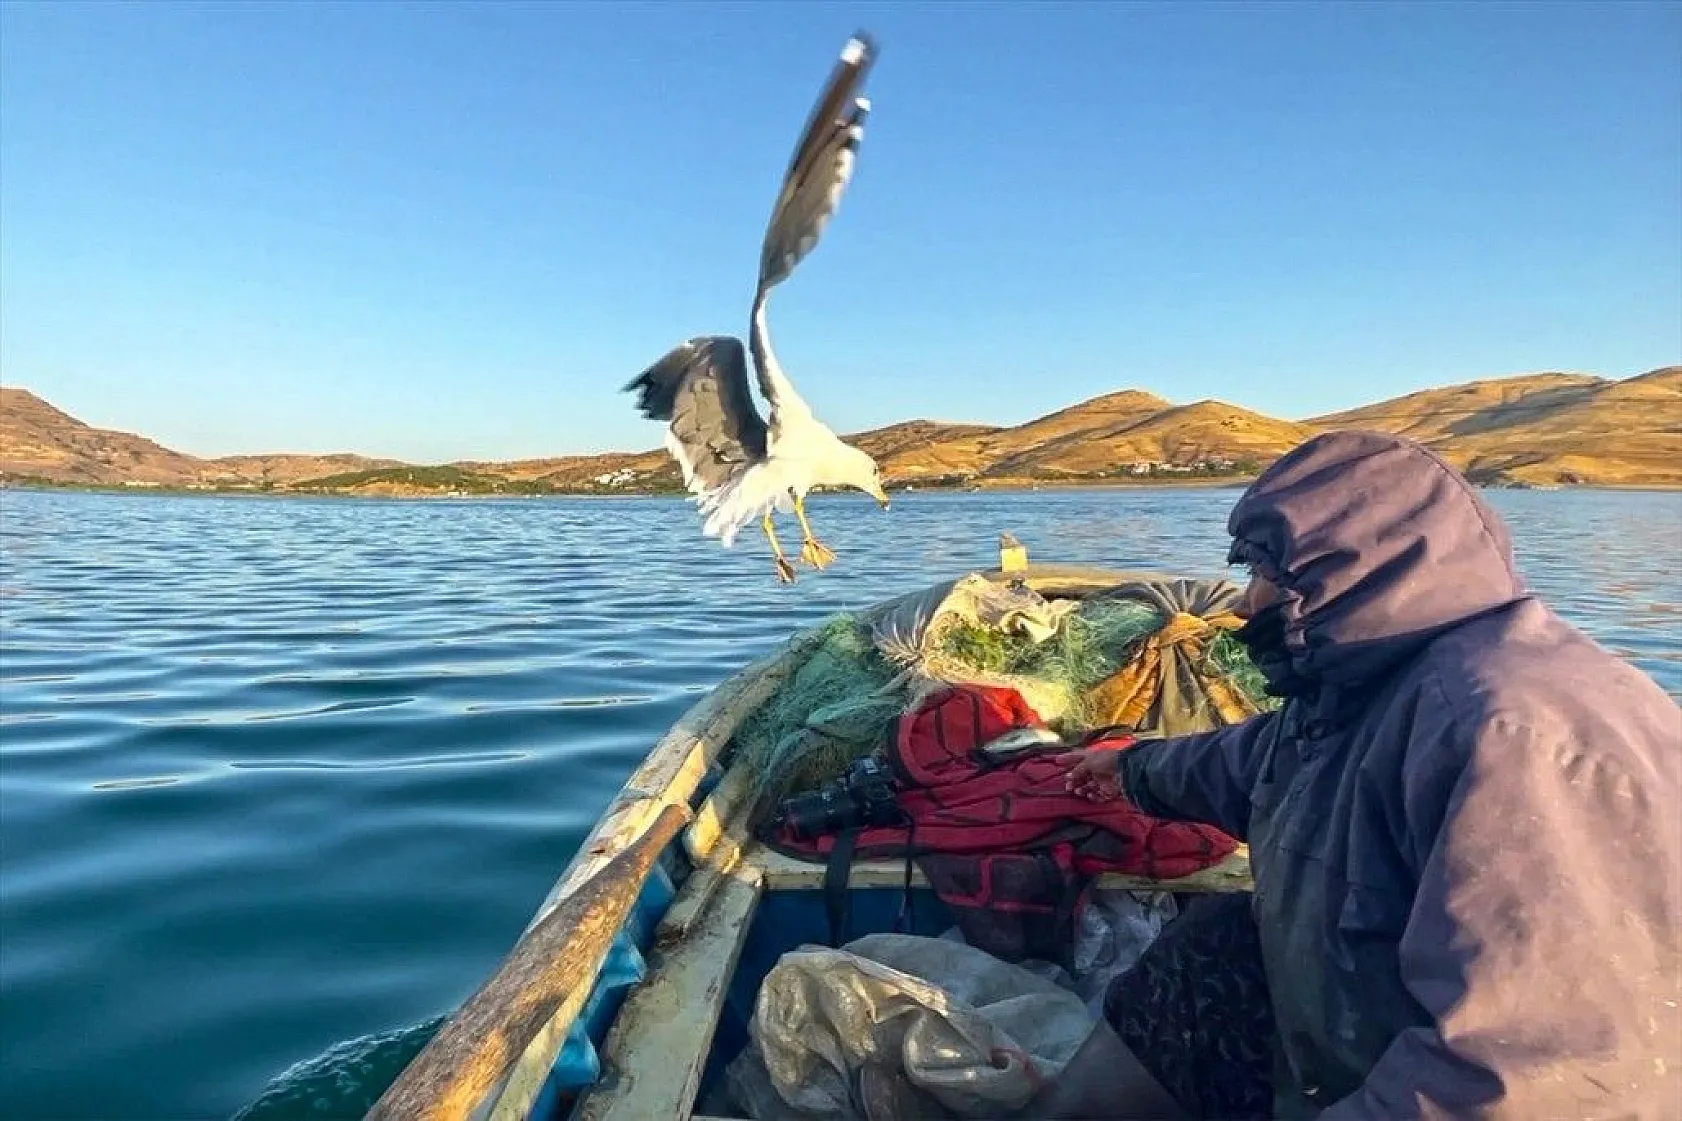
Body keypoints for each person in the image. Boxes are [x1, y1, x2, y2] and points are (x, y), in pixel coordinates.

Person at [1030, 429, 1681, 1121]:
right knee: (1212, 948)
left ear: (1349, 574)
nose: (1245, 604)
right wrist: (1128, 769)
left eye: (1266, 575)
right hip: (1350, 1048)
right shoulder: (1367, 687)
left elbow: (1530, 1077)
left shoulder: (1513, 736)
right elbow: (1254, 760)